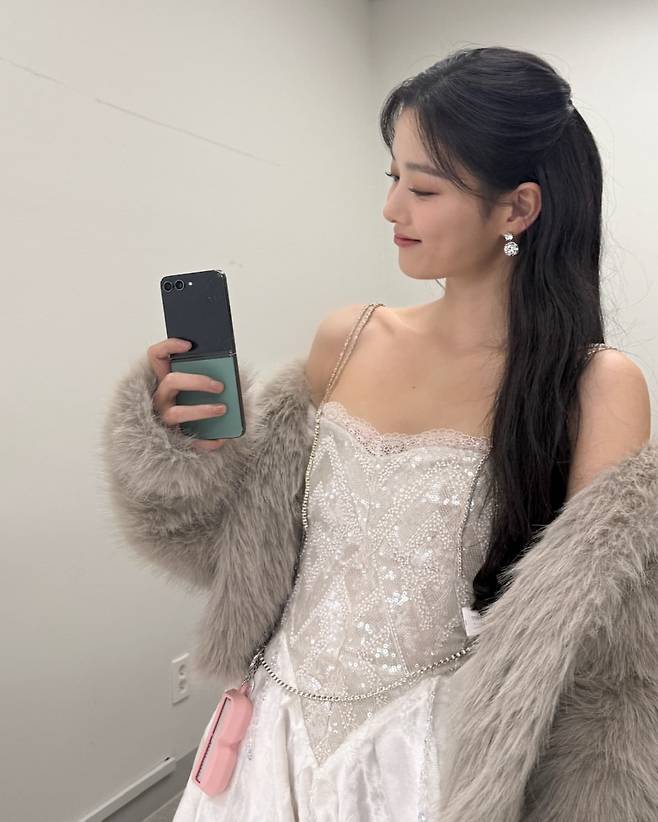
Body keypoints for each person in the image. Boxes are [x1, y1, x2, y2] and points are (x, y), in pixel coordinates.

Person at [100, 46, 656, 822]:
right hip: (269, 741)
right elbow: (241, 559)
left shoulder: (596, 386)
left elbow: (601, 670)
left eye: (423, 188)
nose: (392, 209)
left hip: (425, 766)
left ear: (518, 210)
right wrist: (188, 455)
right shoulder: (349, 338)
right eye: (392, 178)